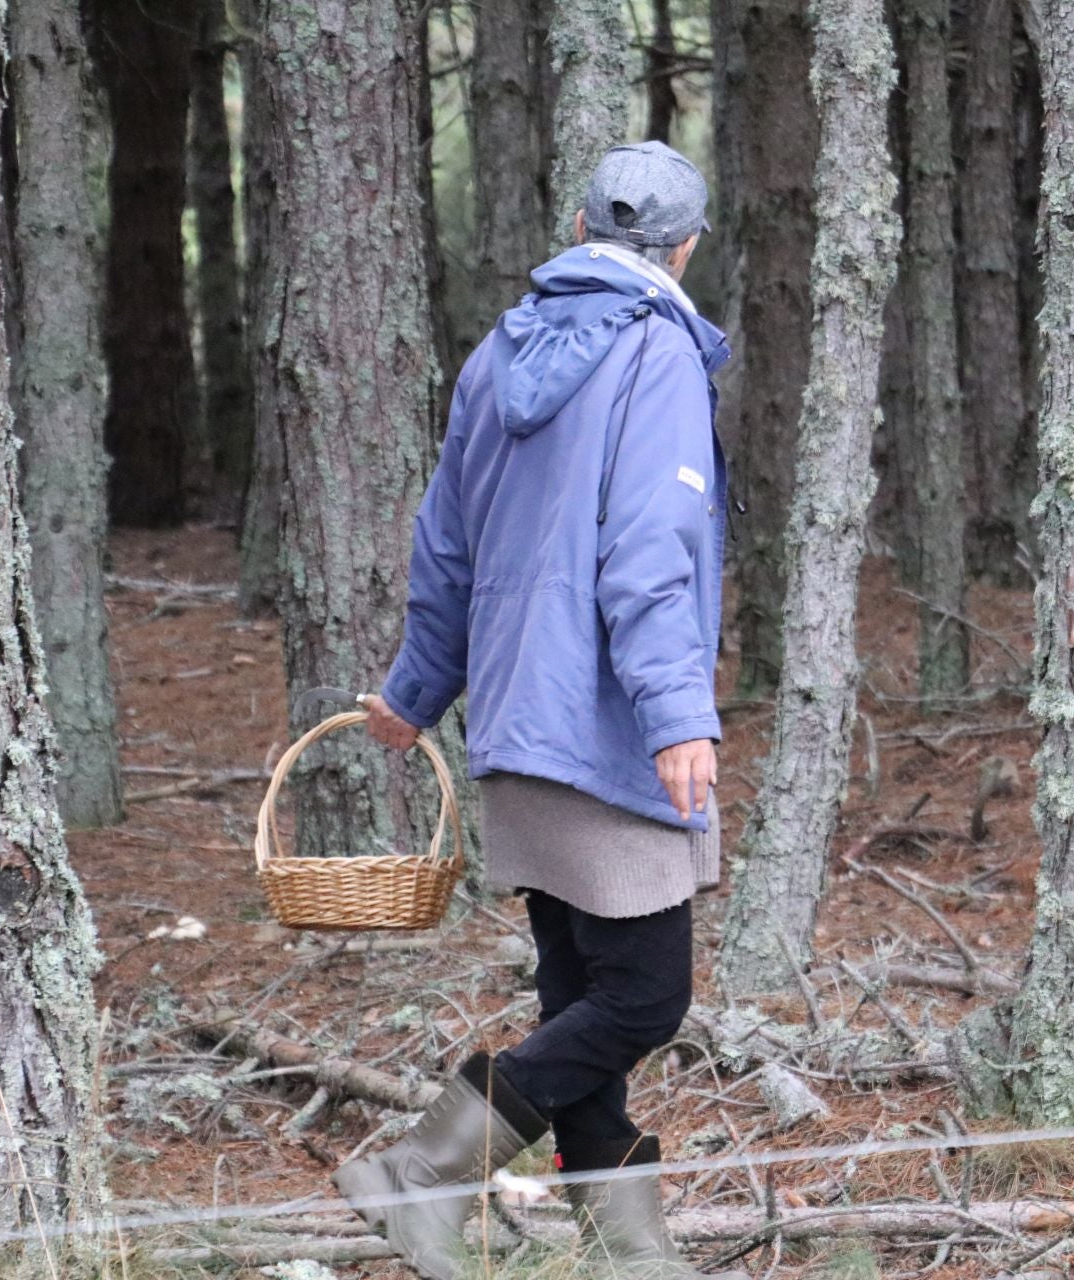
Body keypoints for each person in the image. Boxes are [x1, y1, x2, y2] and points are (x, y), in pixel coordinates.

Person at [332, 141, 738, 1280]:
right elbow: (652, 547)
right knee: (647, 995)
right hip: (608, 730)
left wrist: (419, 690)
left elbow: (445, 546)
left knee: (581, 986)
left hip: (516, 720)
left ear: (575, 228)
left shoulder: (494, 354)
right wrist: (675, 711)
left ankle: (625, 1245)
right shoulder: (656, 352)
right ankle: (422, 1173)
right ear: (686, 246)